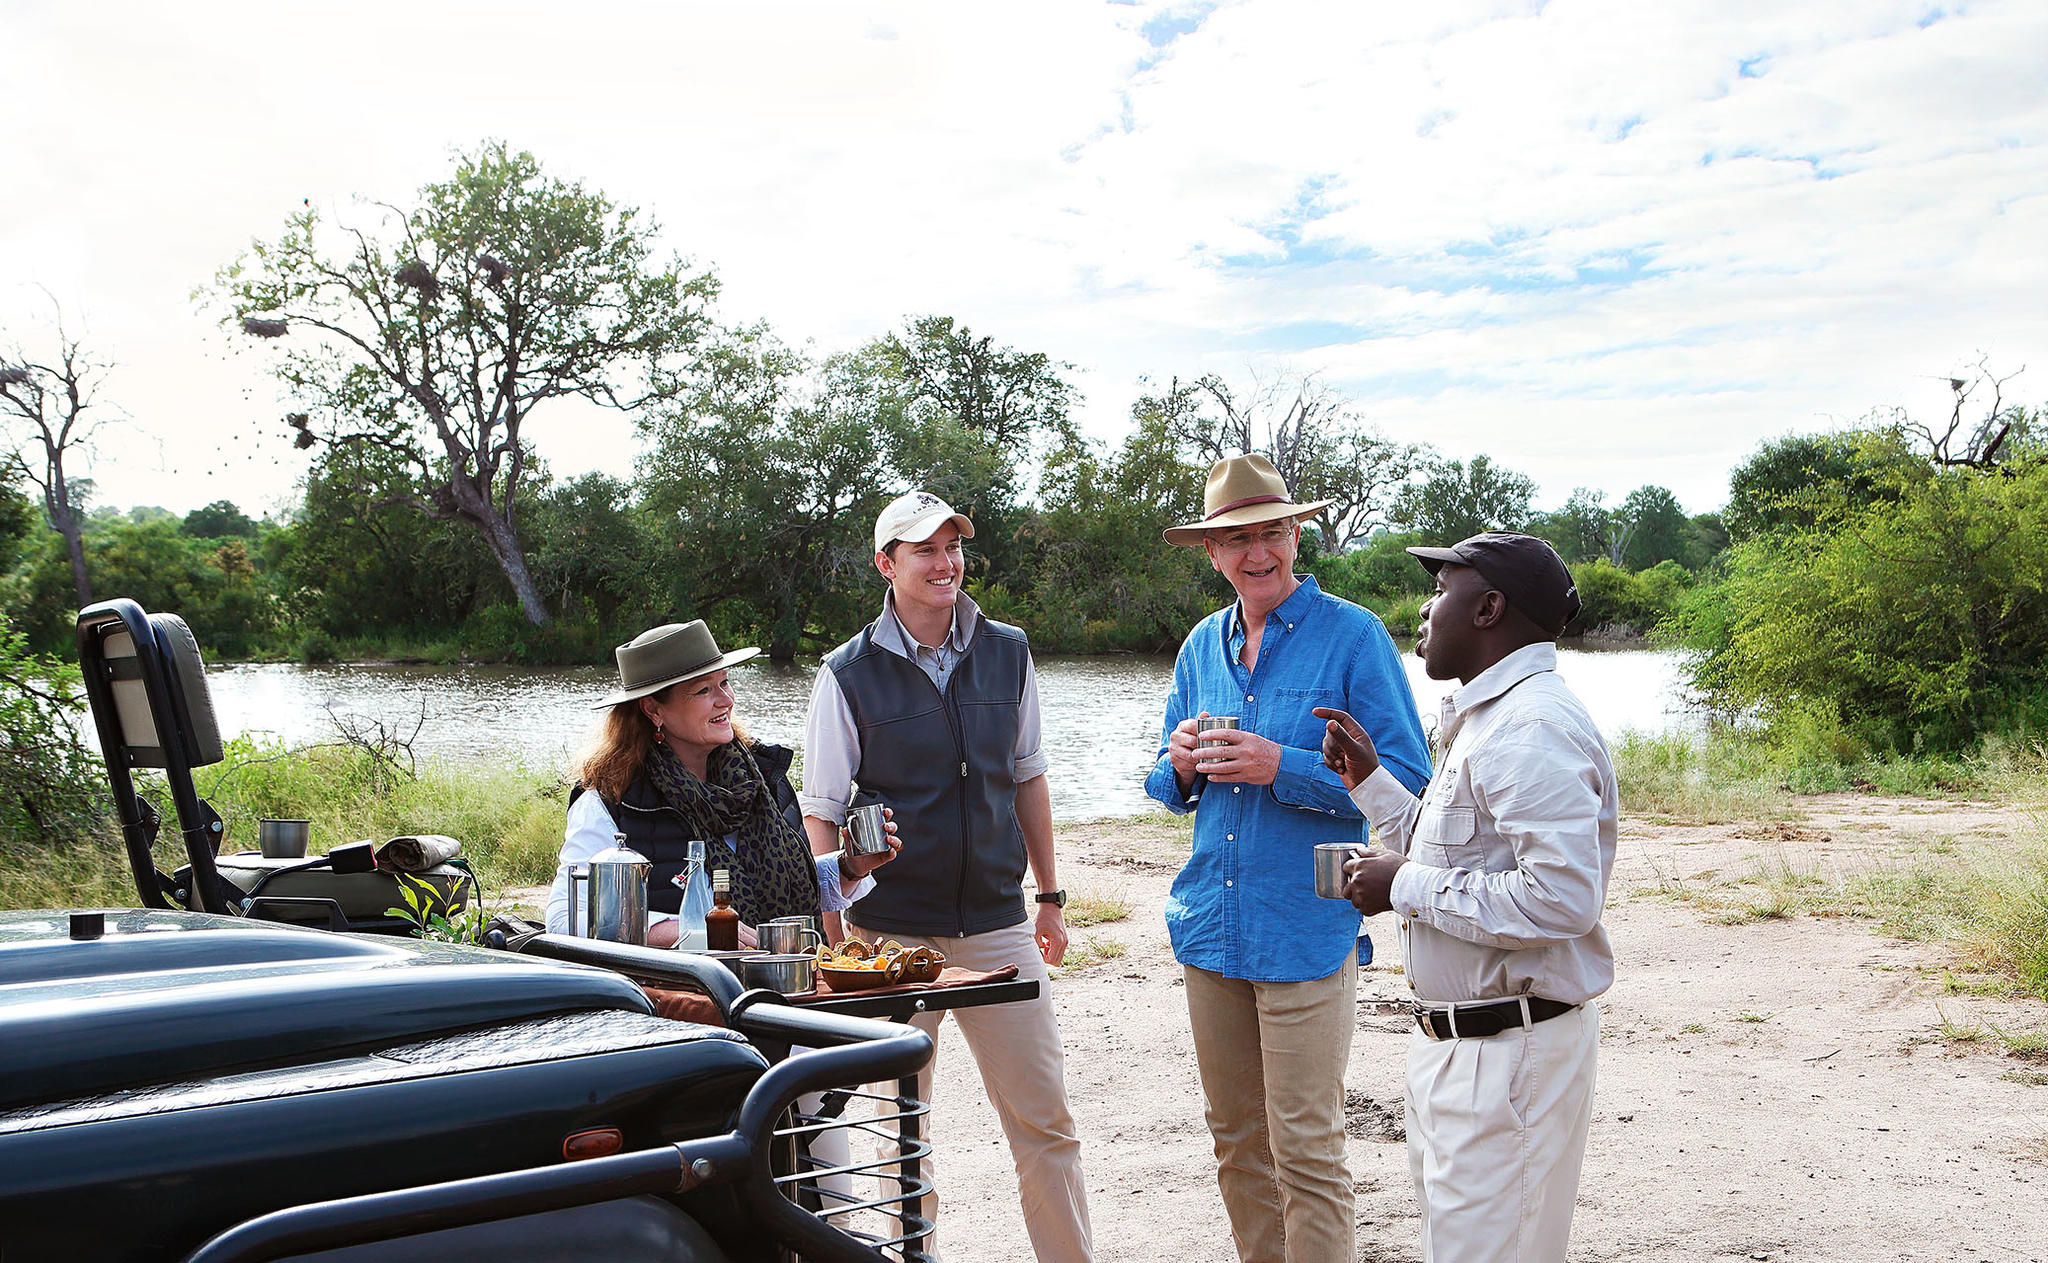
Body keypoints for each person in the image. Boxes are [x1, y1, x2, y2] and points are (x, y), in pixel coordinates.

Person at [1143, 453, 1431, 1263]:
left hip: (1305, 925)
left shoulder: (1354, 636)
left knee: (1306, 1147)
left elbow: (1410, 781)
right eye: (1238, 539)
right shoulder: (1200, 646)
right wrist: (1180, 765)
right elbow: (1165, 780)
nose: (1258, 551)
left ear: (1297, 536)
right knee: (1236, 1142)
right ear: (1212, 552)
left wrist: (1283, 765)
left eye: (1271, 531)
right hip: (1211, 927)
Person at [800, 489, 1093, 1263]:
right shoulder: (845, 673)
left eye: (952, 545)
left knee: (1047, 1122)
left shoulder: (1009, 651)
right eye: (924, 548)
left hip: (999, 922)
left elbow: (1028, 776)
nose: (944, 562)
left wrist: (1050, 897)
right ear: (885, 563)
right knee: (900, 1130)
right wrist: (835, 941)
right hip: (889, 936)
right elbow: (820, 813)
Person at [1314, 531, 1617, 1263]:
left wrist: (1402, 885)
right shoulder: (1492, 717)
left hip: (1508, 1054)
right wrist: (1372, 784)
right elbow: (1458, 850)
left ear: (1488, 609)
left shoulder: (1531, 726)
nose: (1425, 608)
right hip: (1469, 1049)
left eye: (1441, 589)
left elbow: (1562, 898)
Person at [547, 619, 898, 943]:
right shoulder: (611, 800)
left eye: (725, 682)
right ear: (653, 710)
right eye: (703, 690)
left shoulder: (761, 778)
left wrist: (849, 867)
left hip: (781, 979)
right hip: (675, 989)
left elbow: (790, 884)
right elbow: (566, 919)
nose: (726, 700)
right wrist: (687, 930)